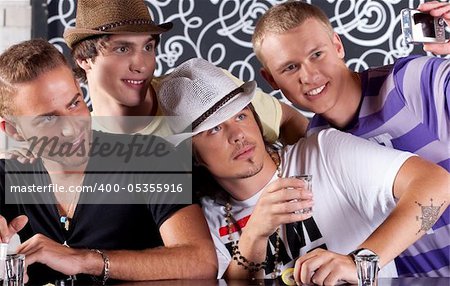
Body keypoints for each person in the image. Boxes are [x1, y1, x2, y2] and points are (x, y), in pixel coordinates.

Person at [156, 58, 449, 285]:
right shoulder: (203, 219)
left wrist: (361, 262)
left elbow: (437, 184)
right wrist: (254, 235)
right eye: (215, 129)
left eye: (241, 115)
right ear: (192, 153)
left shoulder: (323, 152)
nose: (238, 134)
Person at [251, 0, 450, 277]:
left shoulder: (412, 82)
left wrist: (362, 261)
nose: (309, 76)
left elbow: (439, 191)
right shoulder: (317, 147)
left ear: (338, 46)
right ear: (271, 80)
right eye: (290, 68)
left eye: (317, 54)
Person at [0, 39, 217, 284]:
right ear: (14, 131)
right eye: (48, 120)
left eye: (74, 104)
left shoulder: (152, 157)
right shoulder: (6, 177)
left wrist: (85, 260)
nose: (72, 129)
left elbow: (200, 262)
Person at [61, 0, 308, 145]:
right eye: (122, 48)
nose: (142, 64)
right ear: (84, 59)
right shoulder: (77, 143)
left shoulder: (200, 88)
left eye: (148, 47)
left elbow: (289, 120)